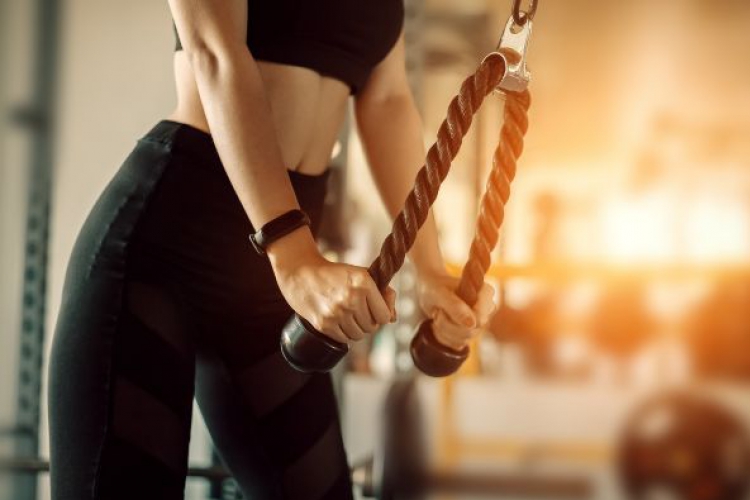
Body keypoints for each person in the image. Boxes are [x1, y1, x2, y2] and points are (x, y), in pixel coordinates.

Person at [48, 1, 496, 499]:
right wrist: (293, 256)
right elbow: (216, 55)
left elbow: (387, 100)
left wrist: (430, 270)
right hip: (165, 248)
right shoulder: (282, 252)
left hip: (273, 271)